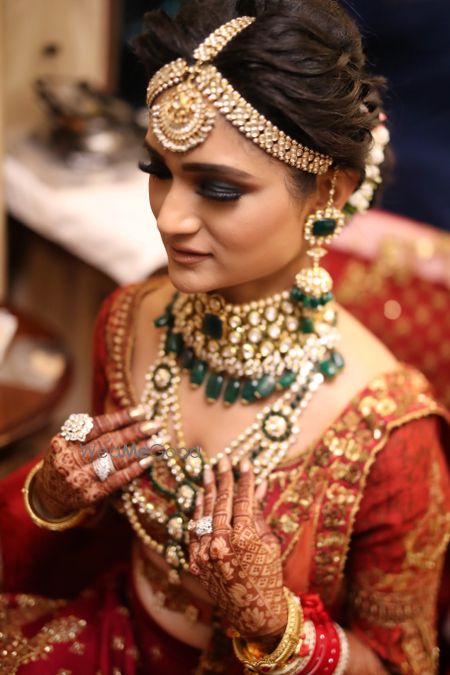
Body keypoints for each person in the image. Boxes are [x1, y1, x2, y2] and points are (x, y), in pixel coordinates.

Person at [0, 1, 449, 673]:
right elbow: (94, 548)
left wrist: (275, 625)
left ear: (328, 190)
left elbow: (401, 662)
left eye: (217, 187)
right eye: (159, 171)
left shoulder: (388, 433)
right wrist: (53, 496)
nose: (171, 217)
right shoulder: (127, 320)